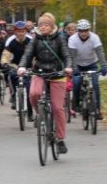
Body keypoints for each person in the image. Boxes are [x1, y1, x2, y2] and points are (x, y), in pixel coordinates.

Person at [18, 13, 73, 154]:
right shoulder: (35, 39)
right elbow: (27, 54)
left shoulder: (60, 38)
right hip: (40, 72)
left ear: (52, 26)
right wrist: (22, 66)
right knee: (33, 93)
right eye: (41, 24)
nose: (43, 27)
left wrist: (68, 67)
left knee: (58, 108)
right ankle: (40, 114)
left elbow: (67, 55)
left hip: (57, 74)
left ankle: (60, 140)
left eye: (46, 24)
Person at [68, 19, 107, 119]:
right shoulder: (73, 39)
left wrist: (104, 66)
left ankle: (97, 110)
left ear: (89, 30)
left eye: (86, 30)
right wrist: (74, 68)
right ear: (78, 30)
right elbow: (72, 56)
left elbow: (100, 53)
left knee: (95, 85)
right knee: (76, 83)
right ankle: (76, 104)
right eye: (81, 31)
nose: (83, 33)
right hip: (78, 65)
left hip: (91, 64)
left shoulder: (95, 37)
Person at [1, 21, 34, 118]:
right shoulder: (10, 41)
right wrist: (5, 63)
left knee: (29, 89)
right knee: (11, 76)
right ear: (15, 32)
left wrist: (35, 65)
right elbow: (5, 55)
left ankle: (30, 112)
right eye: (19, 31)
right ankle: (14, 95)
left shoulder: (31, 40)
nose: (21, 33)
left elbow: (35, 54)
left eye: (23, 31)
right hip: (15, 66)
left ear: (25, 31)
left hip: (28, 67)